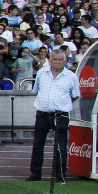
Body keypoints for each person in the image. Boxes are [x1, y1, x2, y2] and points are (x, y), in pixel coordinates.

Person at [27, 50, 80, 183]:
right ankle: (35, 173)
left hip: (61, 115)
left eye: (59, 60)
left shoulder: (71, 76)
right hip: (43, 114)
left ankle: (60, 174)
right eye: (54, 59)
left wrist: (61, 105)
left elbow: (75, 95)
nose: (57, 62)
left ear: (65, 61)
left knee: (60, 145)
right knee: (38, 144)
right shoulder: (41, 73)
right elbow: (36, 90)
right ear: (50, 60)